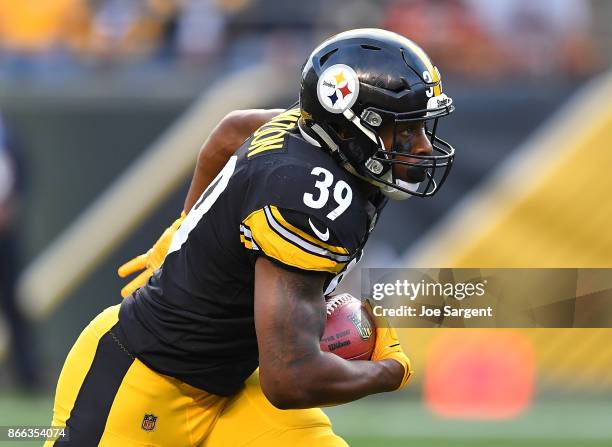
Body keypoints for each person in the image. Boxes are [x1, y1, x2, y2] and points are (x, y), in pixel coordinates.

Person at [46, 28, 455, 446]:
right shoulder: (306, 195)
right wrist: (391, 371)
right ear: (355, 127)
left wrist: (183, 227)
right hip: (141, 379)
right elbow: (290, 378)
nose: (422, 147)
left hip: (232, 386)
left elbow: (231, 130)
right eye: (406, 130)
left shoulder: (321, 137)